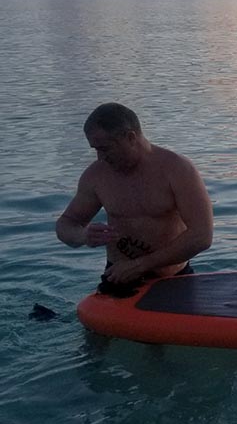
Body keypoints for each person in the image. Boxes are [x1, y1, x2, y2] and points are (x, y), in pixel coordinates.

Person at [56, 103, 213, 295]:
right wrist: (83, 235)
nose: (100, 157)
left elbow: (202, 236)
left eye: (105, 149)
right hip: (119, 278)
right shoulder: (96, 176)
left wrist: (141, 265)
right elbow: (65, 224)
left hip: (172, 279)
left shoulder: (177, 170)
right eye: (95, 149)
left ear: (130, 138)